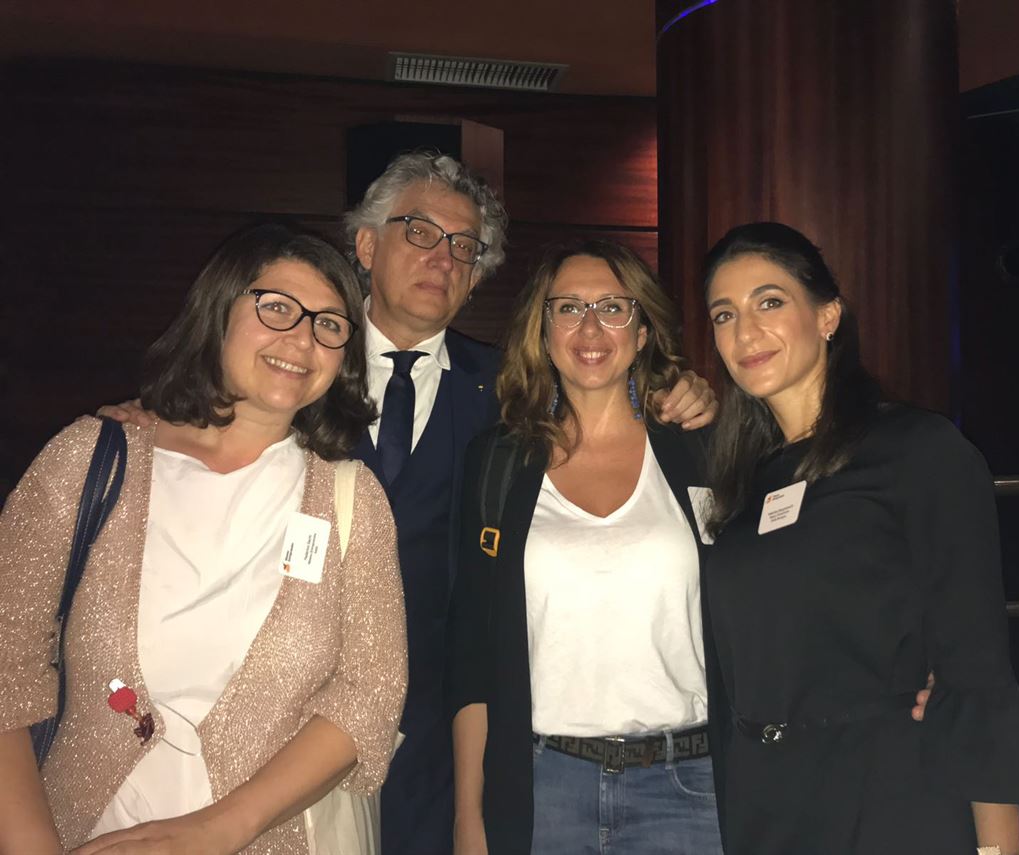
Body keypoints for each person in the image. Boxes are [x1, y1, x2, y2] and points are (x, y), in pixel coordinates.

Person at [101, 152, 718, 854]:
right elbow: (207, 434)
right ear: (366, 246)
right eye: (420, 232)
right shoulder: (295, 366)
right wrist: (159, 421)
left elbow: (608, 393)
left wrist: (684, 394)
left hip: (438, 740)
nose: (442, 258)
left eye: (465, 247)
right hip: (274, 721)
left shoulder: (509, 395)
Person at [0, 223, 407, 854]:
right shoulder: (88, 461)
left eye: (330, 324)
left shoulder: (353, 501)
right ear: (218, 311)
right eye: (277, 308)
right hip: (79, 828)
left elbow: (369, 696)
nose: (303, 338)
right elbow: (6, 660)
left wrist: (222, 829)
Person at [700, 222, 1019, 855]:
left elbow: (977, 670)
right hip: (765, 804)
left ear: (827, 315)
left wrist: (997, 851)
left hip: (885, 800)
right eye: (725, 314)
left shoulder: (917, 451)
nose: (745, 332)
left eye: (769, 302)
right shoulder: (742, 480)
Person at [447, 239, 723, 855]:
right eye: (568, 308)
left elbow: (768, 603)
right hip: (543, 787)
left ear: (643, 331)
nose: (591, 328)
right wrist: (469, 817)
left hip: (688, 789)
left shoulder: (699, 450)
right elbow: (472, 652)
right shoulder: (498, 461)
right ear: (542, 332)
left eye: (613, 308)